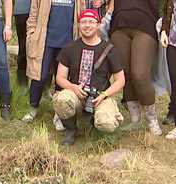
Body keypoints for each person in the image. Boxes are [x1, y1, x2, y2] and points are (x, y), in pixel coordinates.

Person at [107, 0, 169, 136]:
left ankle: (151, 119)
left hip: (146, 27)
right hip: (119, 27)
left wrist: (166, 25)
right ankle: (134, 118)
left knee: (140, 74)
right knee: (124, 74)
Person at [23, 0, 85, 127]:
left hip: (67, 40)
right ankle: (33, 107)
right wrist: (31, 33)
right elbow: (34, 10)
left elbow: (80, 12)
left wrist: (80, 38)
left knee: (62, 78)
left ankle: (59, 113)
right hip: (45, 38)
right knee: (39, 75)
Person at [53, 9, 125, 145]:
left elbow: (120, 80)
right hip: (76, 95)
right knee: (62, 99)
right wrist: (73, 87)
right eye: (83, 22)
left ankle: (96, 124)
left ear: (98, 25)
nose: (87, 25)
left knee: (106, 123)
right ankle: (71, 129)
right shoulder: (69, 48)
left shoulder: (110, 50)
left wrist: (104, 94)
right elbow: (60, 77)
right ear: (78, 25)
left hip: (99, 96)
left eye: (91, 22)